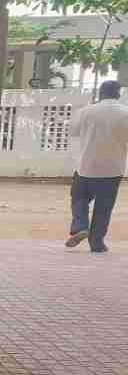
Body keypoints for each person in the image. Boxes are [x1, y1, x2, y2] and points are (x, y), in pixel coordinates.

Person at [66, 79, 128, 253]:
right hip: (114, 169)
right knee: (104, 206)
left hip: (86, 166)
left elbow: (73, 131)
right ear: (119, 93)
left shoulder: (86, 111)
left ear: (100, 93)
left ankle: (80, 226)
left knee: (79, 198)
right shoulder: (126, 113)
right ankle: (97, 243)